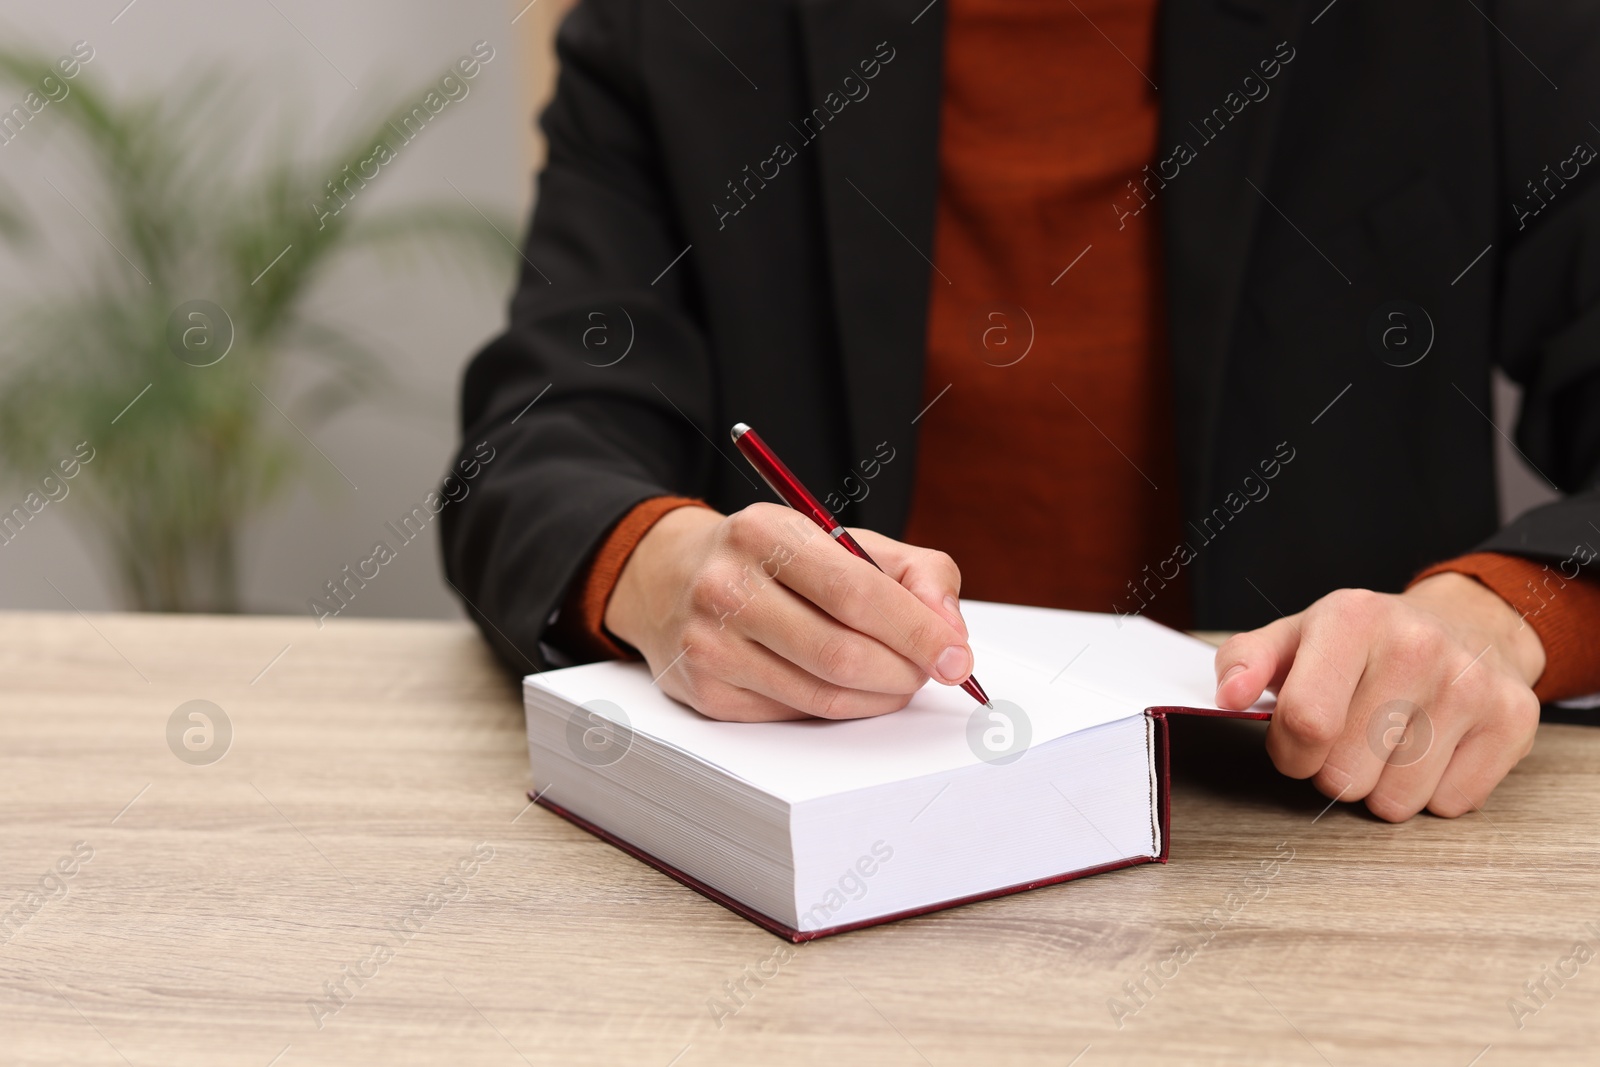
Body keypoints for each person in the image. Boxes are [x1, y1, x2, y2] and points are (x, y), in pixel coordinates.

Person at [440, 0, 1600, 823]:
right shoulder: (675, 29)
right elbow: (531, 437)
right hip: (850, 850)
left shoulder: (1474, 23)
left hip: (1322, 838)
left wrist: (1495, 621)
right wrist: (665, 566)